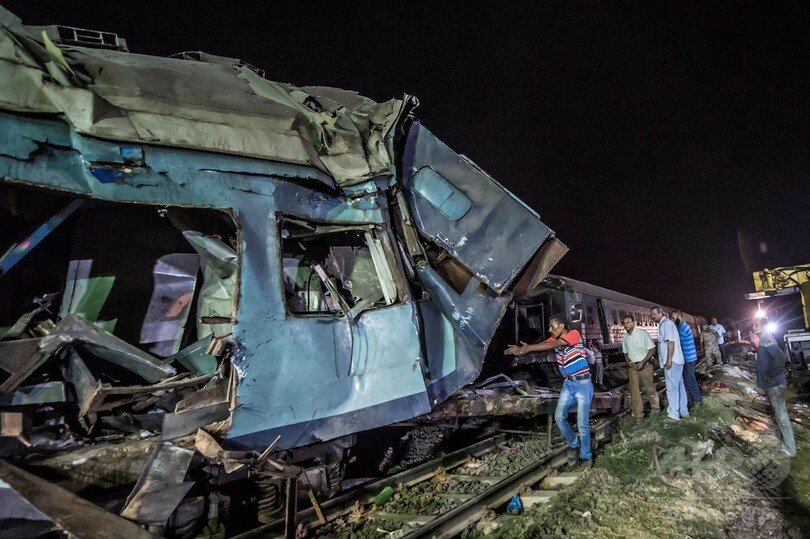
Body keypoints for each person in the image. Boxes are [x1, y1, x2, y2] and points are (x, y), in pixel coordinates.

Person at [505, 315, 594, 467]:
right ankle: (574, 444)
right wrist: (521, 350)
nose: (549, 330)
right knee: (559, 417)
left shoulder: (574, 334)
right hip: (569, 384)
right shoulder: (554, 340)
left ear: (561, 326)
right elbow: (543, 345)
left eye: (552, 326)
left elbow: (552, 345)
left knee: (582, 424)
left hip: (583, 384)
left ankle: (586, 456)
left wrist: (530, 347)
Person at [752, 317, 796, 457]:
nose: (753, 327)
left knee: (782, 416)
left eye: (756, 324)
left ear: (763, 326)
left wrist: (769, 374)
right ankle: (788, 444)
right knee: (779, 414)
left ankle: (790, 449)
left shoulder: (766, 338)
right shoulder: (764, 338)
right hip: (772, 383)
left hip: (775, 384)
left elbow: (780, 358)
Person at [651, 307, 688, 422]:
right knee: (679, 386)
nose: (652, 316)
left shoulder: (666, 324)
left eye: (654, 314)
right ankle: (683, 411)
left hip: (673, 361)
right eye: (651, 314)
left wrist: (668, 360)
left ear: (661, 313)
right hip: (677, 360)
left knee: (671, 388)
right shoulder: (667, 324)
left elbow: (670, 342)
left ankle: (673, 415)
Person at [620, 314, 660, 418]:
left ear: (633, 323)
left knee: (650, 389)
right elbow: (625, 352)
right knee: (634, 392)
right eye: (624, 323)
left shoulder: (643, 334)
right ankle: (639, 415)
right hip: (633, 367)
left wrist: (643, 362)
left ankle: (655, 409)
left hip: (645, 366)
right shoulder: (625, 337)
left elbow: (652, 349)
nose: (626, 325)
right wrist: (627, 360)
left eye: (628, 322)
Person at [672, 310, 702, 407]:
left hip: (688, 358)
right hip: (687, 357)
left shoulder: (683, 328)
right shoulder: (681, 327)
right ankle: (696, 399)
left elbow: (677, 341)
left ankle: (697, 400)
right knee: (689, 379)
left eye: (674, 317)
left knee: (690, 380)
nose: (672, 320)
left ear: (679, 317)